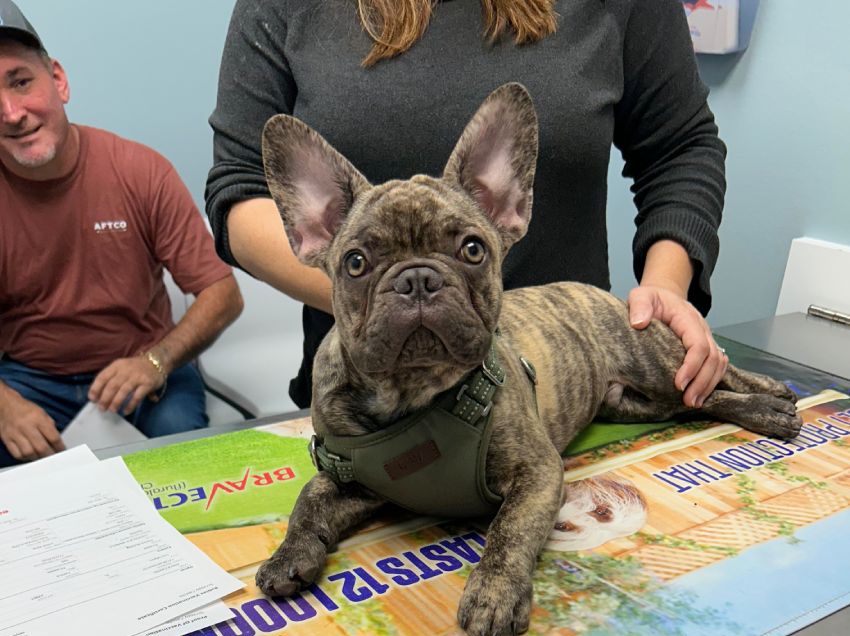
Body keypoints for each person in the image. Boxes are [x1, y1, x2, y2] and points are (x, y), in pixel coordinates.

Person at [205, 0, 728, 412]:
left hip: (571, 388)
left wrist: (664, 288)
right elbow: (240, 189)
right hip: (369, 405)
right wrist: (383, 308)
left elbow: (679, 148)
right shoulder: (281, 7)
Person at [0, 0, 244, 466]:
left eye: (21, 82)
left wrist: (156, 362)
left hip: (146, 367)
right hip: (29, 379)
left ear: (58, 80)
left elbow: (222, 293)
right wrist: (4, 407)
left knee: (182, 469)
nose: (11, 113)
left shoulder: (139, 170)